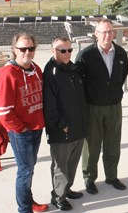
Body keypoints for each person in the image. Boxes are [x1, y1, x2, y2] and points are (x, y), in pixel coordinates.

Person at [0, 33, 48, 213]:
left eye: (31, 48)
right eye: (23, 48)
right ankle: (24, 209)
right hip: (21, 132)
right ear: (14, 50)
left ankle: (29, 201)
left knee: (29, 169)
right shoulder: (8, 74)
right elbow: (3, 110)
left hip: (36, 128)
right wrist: (21, 128)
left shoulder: (36, 69)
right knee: (25, 171)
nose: (27, 52)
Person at [76, 18, 128, 194]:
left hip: (114, 106)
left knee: (113, 145)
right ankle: (89, 178)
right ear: (96, 34)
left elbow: (121, 77)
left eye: (110, 31)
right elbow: (79, 84)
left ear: (113, 33)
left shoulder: (121, 53)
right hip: (93, 107)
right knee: (92, 146)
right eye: (103, 32)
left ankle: (112, 176)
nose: (107, 35)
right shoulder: (85, 56)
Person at [43, 37, 87, 211]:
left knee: (72, 163)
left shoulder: (73, 69)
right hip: (63, 129)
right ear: (53, 51)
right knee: (61, 166)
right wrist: (62, 124)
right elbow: (49, 105)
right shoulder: (51, 73)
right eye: (63, 51)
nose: (67, 53)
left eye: (69, 50)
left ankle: (66, 189)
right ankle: (58, 196)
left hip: (78, 126)